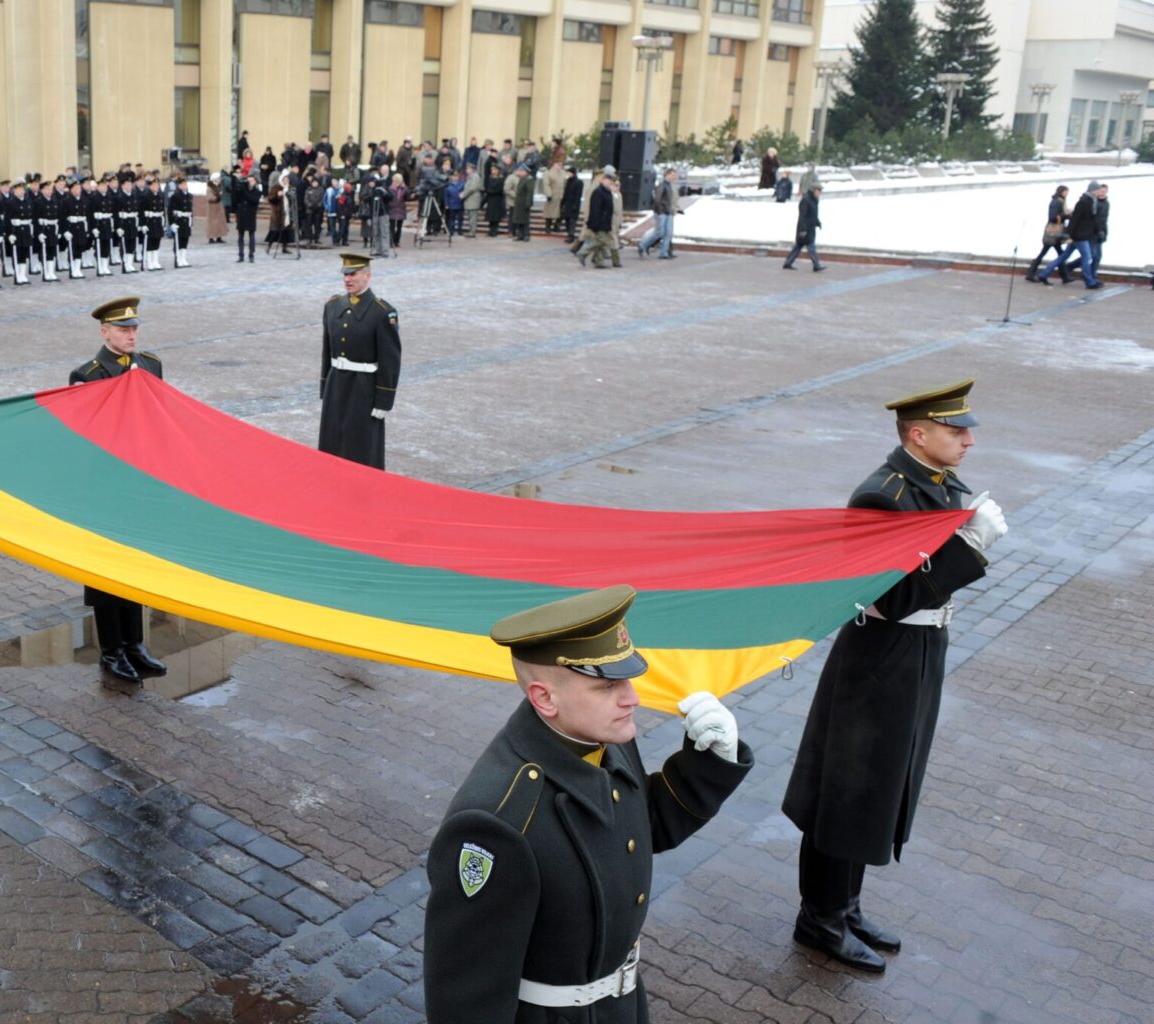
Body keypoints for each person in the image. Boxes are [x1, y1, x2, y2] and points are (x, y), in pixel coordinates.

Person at [423, 585, 752, 1022]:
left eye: (628, 679)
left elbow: (635, 828)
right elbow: (466, 997)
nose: (632, 697)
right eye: (609, 686)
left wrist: (708, 764)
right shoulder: (497, 822)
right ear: (545, 698)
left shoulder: (598, 738)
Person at [784, 380, 1006, 972]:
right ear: (918, 434)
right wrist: (972, 548)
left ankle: (846, 905)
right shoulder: (882, 497)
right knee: (850, 788)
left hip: (920, 651)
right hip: (881, 654)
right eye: (957, 432)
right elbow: (895, 594)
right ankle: (820, 919)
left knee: (881, 783)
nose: (969, 440)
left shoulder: (935, 481)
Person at [68, 296, 168, 686]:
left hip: (140, 486)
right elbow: (83, 439)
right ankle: (111, 650)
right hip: (105, 489)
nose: (131, 335)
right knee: (107, 571)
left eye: (134, 328)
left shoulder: (151, 366)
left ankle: (135, 644)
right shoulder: (87, 376)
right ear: (104, 331)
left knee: (136, 564)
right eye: (123, 329)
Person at [318, 253, 400, 470]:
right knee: (332, 439)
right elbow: (327, 350)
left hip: (364, 387)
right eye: (345, 274)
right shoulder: (332, 306)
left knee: (361, 444)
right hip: (336, 383)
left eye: (353, 274)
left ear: (367, 276)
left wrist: (384, 401)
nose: (347, 279)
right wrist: (325, 386)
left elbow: (390, 360)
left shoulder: (382, 312)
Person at [1041, 181, 1105, 290]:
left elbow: (1092, 220)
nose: (1100, 191)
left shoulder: (1092, 201)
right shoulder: (1084, 202)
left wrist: (1098, 231)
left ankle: (1044, 274)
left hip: (1082, 234)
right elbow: (1075, 219)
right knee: (1087, 257)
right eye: (1098, 189)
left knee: (1064, 256)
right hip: (1080, 235)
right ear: (1093, 190)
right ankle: (1090, 282)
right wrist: (1070, 234)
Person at [1025, 185, 1072, 284]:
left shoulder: (1060, 201)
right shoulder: (1057, 202)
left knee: (1057, 254)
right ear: (1062, 192)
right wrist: (1066, 215)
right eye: (1066, 192)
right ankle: (1033, 273)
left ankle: (1064, 276)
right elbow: (1053, 217)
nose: (1067, 194)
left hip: (1053, 233)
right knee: (1057, 254)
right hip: (1053, 233)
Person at [637, 168, 681, 260]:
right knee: (659, 232)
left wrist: (675, 209)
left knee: (668, 233)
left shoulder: (669, 185)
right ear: (667, 174)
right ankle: (643, 245)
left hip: (669, 212)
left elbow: (671, 200)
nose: (675, 177)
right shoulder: (662, 185)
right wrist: (660, 211)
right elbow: (658, 199)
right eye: (673, 174)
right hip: (662, 212)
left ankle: (663, 253)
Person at [578, 173, 618, 269]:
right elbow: (595, 209)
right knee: (602, 240)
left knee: (600, 241)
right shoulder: (598, 192)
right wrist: (595, 222)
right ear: (603, 181)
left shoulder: (607, 192)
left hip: (605, 221)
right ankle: (583, 253)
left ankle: (599, 261)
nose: (610, 183)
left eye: (612, 182)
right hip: (599, 222)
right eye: (609, 181)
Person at [782, 184, 824, 271]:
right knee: (811, 247)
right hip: (805, 229)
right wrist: (803, 230)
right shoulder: (806, 200)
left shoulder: (814, 200)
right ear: (813, 190)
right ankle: (816, 265)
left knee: (798, 247)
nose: (820, 193)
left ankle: (788, 263)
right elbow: (803, 217)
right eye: (818, 191)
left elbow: (813, 215)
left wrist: (818, 222)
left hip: (810, 229)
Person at [232, 172, 261, 263]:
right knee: (240, 235)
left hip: (251, 215)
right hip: (242, 215)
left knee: (251, 235)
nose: (250, 182)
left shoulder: (257, 192)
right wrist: (236, 190)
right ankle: (241, 255)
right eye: (249, 180)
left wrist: (244, 191)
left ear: (255, 182)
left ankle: (251, 255)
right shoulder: (242, 189)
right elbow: (235, 200)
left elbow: (253, 200)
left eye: (252, 181)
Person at [508, 166, 535, 243]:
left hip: (524, 203)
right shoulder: (521, 179)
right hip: (519, 203)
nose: (519, 172)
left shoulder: (529, 179)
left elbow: (530, 193)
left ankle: (526, 235)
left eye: (521, 171)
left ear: (525, 172)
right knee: (519, 220)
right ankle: (520, 235)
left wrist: (528, 203)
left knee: (525, 220)